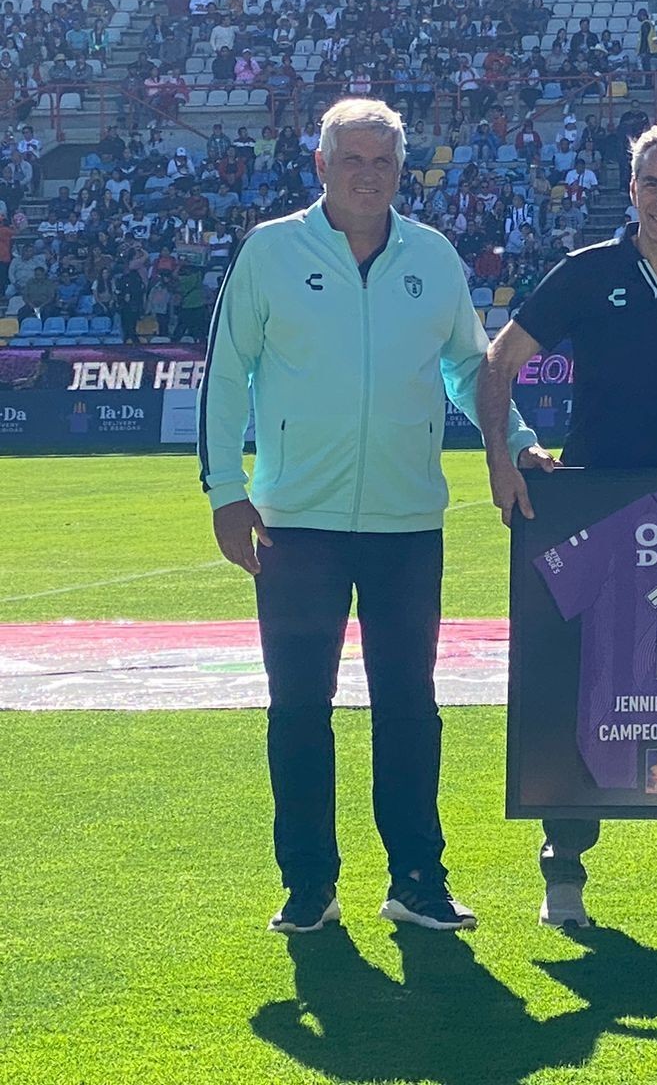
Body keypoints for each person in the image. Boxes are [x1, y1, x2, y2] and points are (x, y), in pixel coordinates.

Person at [200, 97, 542, 935]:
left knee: (408, 707)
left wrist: (519, 441)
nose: (366, 175)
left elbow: (468, 368)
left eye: (382, 162)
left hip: (404, 521)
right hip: (294, 523)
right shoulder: (270, 252)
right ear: (321, 166)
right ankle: (309, 883)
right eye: (350, 159)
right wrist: (224, 488)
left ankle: (417, 877)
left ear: (400, 170)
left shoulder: (432, 256)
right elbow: (226, 372)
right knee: (299, 708)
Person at [476, 118, 657, 929]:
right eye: (652, 184)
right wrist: (504, 452)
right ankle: (564, 875)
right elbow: (498, 362)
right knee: (583, 688)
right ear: (631, 190)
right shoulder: (587, 272)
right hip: (590, 503)